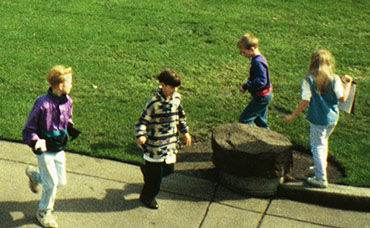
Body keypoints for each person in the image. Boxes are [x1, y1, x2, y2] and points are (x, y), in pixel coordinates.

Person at [284, 49, 353, 188]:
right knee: (323, 143)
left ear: (312, 63)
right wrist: (348, 84)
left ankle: (321, 178)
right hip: (332, 118)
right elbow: (343, 98)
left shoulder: (308, 80)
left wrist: (293, 115)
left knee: (317, 147)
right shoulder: (334, 78)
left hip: (318, 119)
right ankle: (319, 168)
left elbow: (305, 101)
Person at [23, 65, 80, 227]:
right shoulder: (42, 104)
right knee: (52, 183)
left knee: (60, 181)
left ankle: (35, 176)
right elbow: (29, 128)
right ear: (59, 85)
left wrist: (70, 127)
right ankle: (44, 212)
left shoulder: (68, 101)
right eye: (69, 82)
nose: (72, 85)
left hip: (59, 146)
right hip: (45, 149)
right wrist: (35, 141)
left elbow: (66, 117)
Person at [135, 69, 192, 209]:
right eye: (171, 87)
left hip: (170, 144)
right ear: (163, 84)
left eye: (176, 87)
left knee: (169, 170)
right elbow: (142, 121)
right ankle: (147, 197)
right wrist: (141, 135)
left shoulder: (176, 99)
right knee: (155, 181)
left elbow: (180, 116)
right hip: (155, 146)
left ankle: (147, 171)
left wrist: (185, 132)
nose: (174, 90)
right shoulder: (154, 102)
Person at [237, 33, 273, 129]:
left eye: (243, 52)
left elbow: (261, 81)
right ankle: (268, 139)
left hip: (261, 97)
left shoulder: (257, 62)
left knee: (245, 119)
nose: (243, 55)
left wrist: (246, 86)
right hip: (265, 95)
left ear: (252, 49)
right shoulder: (259, 59)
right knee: (260, 121)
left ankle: (256, 137)